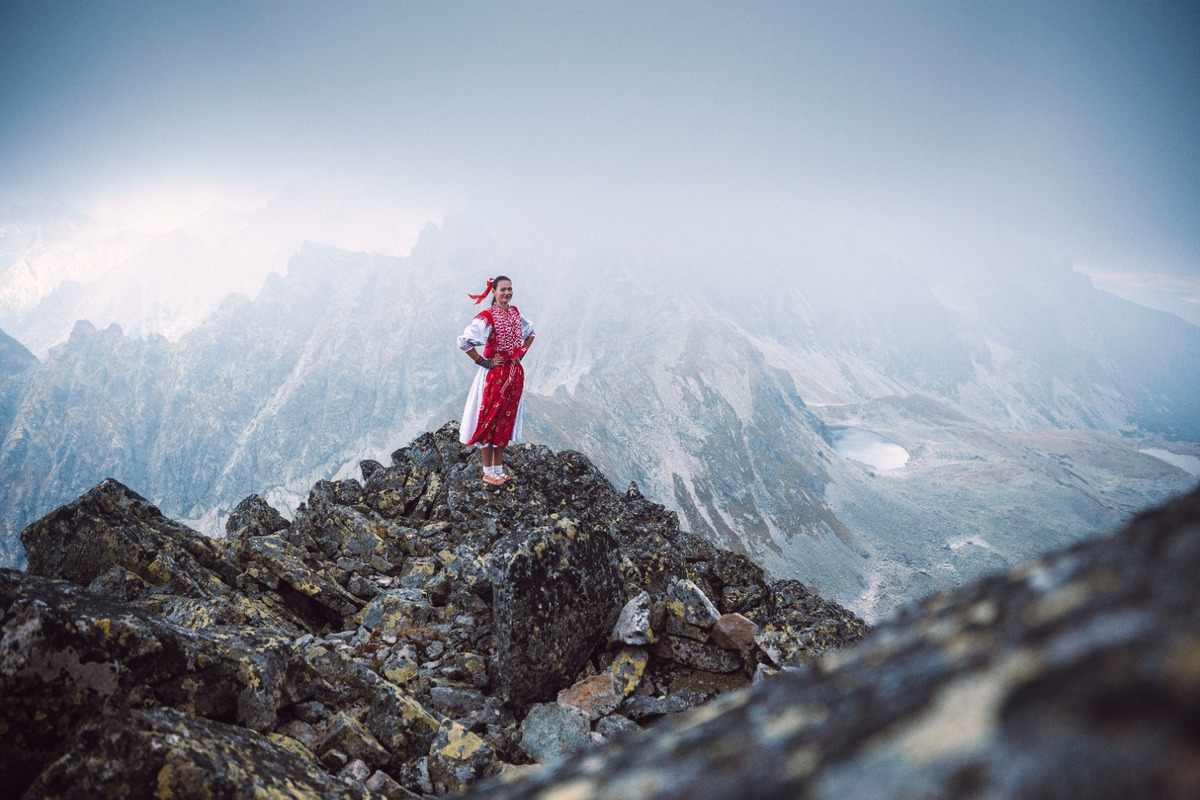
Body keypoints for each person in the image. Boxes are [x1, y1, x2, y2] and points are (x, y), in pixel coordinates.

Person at [457, 275, 536, 485]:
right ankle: (487, 471)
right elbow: (464, 342)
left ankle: (498, 470)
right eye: (503, 290)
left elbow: (531, 333)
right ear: (493, 291)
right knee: (489, 420)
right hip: (494, 376)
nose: (507, 293)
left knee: (505, 421)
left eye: (509, 289)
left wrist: (519, 355)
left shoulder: (514, 312)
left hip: (514, 374)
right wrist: (485, 362)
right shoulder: (487, 317)